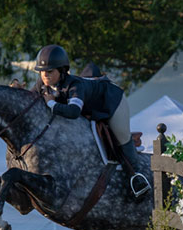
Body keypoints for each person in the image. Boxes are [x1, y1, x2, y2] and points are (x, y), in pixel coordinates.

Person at [31, 44, 150, 198]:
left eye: (49, 71)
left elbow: (73, 112)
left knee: (121, 136)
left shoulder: (75, 84)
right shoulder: (42, 83)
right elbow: (30, 101)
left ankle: (137, 177)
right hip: (89, 109)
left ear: (61, 70)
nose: (45, 75)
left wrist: (51, 104)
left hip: (111, 101)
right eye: (41, 72)